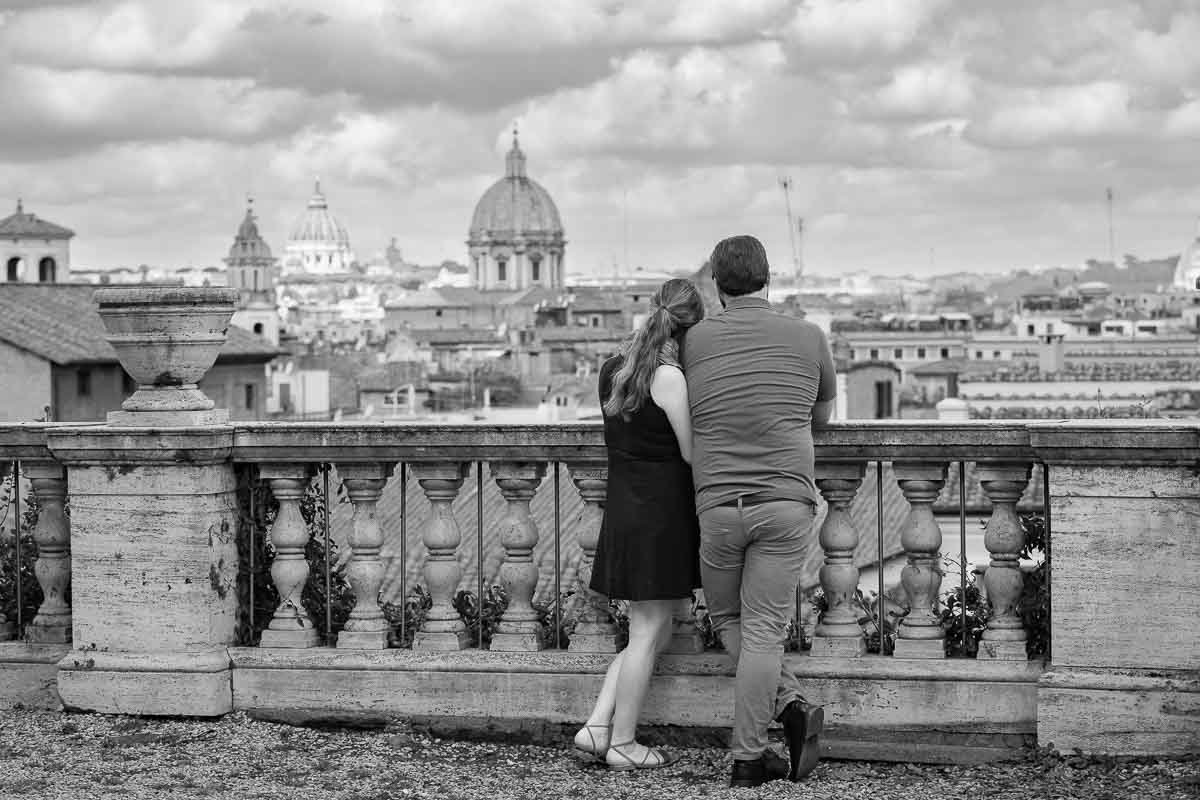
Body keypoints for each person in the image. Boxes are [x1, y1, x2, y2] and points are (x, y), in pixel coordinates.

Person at [680, 235, 836, 788]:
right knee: (765, 631)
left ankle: (761, 745)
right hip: (785, 503)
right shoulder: (809, 336)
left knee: (730, 622)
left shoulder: (694, 342)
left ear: (717, 286)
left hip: (719, 506)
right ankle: (770, 729)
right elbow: (819, 421)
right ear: (769, 280)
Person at [573, 277, 705, 771]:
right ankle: (624, 743)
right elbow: (691, 451)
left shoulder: (612, 369)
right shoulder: (670, 378)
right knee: (650, 630)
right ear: (690, 328)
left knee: (649, 630)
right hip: (661, 513)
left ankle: (597, 726)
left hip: (626, 508)